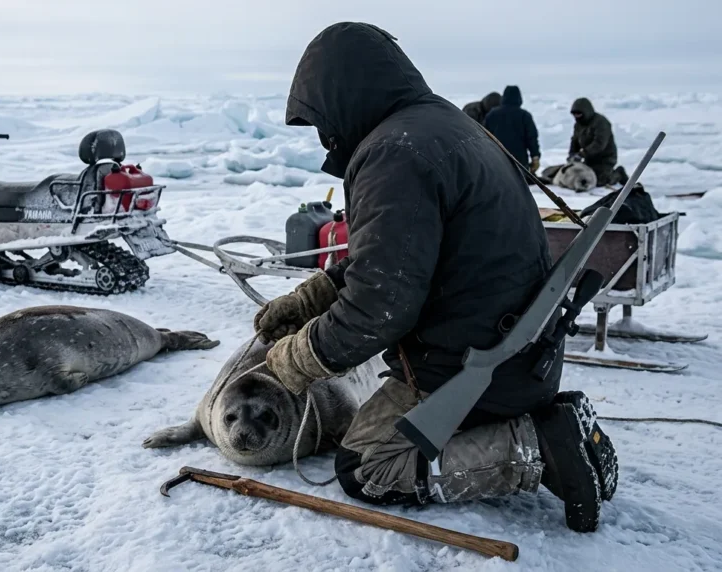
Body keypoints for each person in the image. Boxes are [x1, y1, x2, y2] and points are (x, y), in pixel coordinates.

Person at [256, 22, 618, 533]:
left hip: (474, 372)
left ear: (340, 97)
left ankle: (535, 446)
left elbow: (381, 305)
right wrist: (313, 295)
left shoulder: (393, 152)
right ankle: (533, 426)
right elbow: (403, 255)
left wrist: (297, 360)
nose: (323, 136)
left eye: (319, 120)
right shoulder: (444, 125)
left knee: (367, 468)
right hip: (519, 353)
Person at [569, 97, 628, 186]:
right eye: (575, 114)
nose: (576, 116)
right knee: (581, 177)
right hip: (589, 160)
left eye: (579, 114)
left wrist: (582, 154)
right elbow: (575, 141)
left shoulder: (601, 122)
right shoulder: (578, 125)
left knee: (598, 181)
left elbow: (599, 143)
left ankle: (618, 174)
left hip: (605, 159)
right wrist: (572, 155)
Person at [483, 85, 541, 173]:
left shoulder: (492, 115)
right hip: (519, 162)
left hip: (496, 159)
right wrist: (535, 157)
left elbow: (484, 137)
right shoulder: (524, 115)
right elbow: (532, 138)